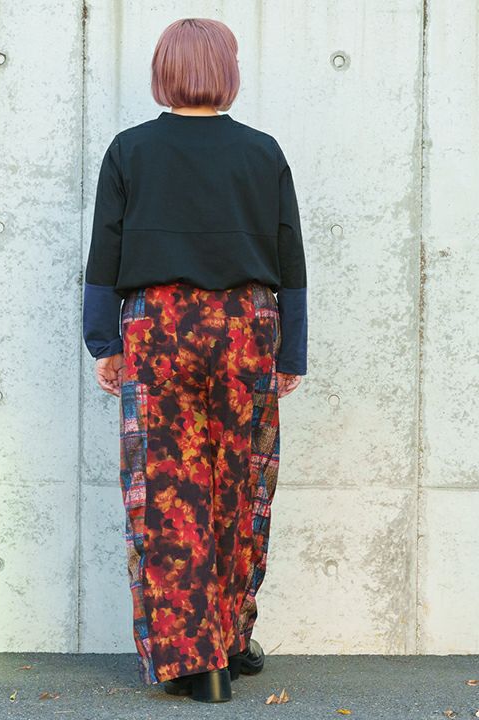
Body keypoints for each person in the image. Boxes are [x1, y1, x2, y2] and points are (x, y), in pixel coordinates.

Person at [82, 17, 307, 704]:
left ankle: (195, 661)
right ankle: (230, 641)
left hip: (158, 327)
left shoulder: (130, 150)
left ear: (164, 70)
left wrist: (104, 340)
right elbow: (290, 257)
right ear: (228, 72)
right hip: (246, 328)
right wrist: (292, 348)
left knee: (167, 492)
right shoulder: (262, 152)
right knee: (239, 484)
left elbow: (106, 252)